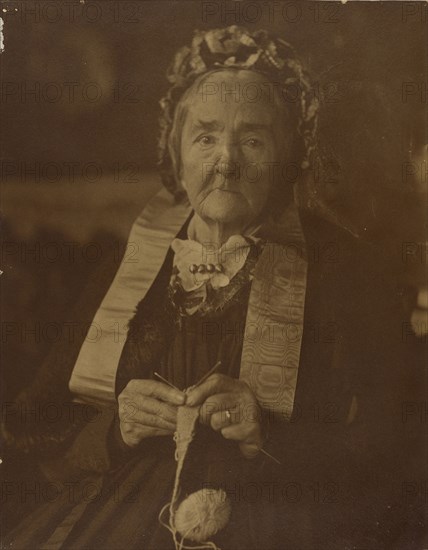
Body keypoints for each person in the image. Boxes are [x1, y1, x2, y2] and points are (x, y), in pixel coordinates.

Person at [2, 26, 417, 549]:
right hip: (126, 517)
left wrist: (270, 438)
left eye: (252, 140)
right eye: (205, 137)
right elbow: (29, 431)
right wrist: (116, 430)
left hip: (285, 515)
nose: (225, 162)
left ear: (288, 156)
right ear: (175, 154)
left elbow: (402, 443)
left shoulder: (347, 269)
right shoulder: (127, 262)